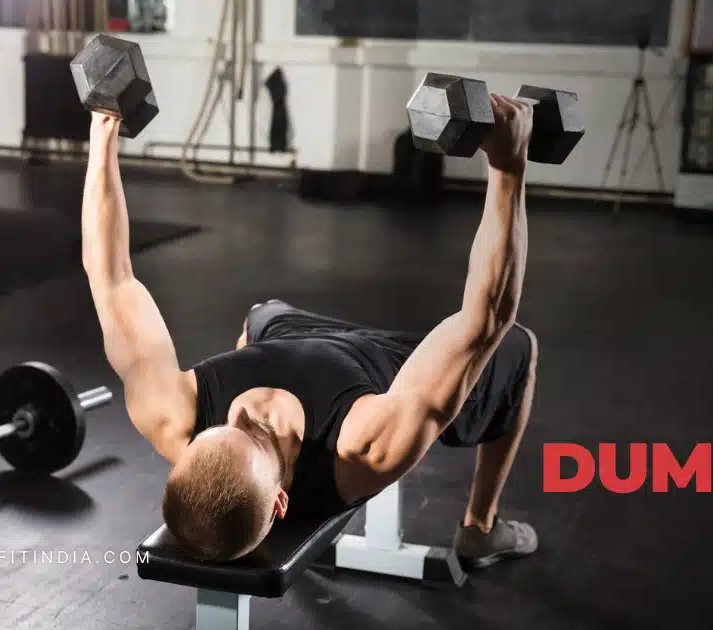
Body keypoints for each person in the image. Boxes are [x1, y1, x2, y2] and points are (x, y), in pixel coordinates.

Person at [80, 94, 538, 569]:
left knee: (260, 315)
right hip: (380, 365)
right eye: (254, 434)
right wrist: (508, 166)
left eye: (219, 427)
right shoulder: (363, 447)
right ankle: (481, 528)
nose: (247, 410)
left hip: (290, 336)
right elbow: (482, 321)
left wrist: (104, 126)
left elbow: (110, 277)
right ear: (282, 501)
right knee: (517, 345)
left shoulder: (171, 416)